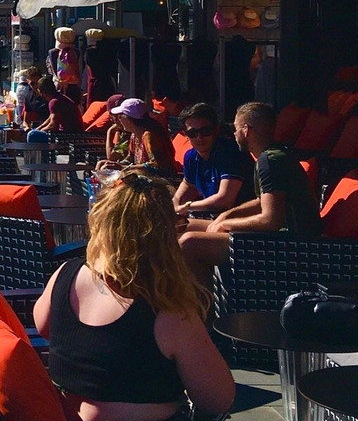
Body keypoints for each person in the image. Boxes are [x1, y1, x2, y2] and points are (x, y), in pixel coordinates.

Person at [34, 170, 235, 421]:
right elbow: (219, 399)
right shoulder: (168, 315)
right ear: (164, 240)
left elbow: (43, 327)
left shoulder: (65, 275)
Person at [179, 101, 323, 288]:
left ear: (246, 130)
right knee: (183, 226)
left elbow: (271, 221)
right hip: (281, 238)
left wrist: (225, 224)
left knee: (189, 243)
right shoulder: (271, 156)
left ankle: (202, 308)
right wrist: (227, 215)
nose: (234, 133)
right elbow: (261, 201)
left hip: (294, 247)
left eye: (236, 128)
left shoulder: (269, 161)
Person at [173, 103, 254, 218]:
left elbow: (225, 200)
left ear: (216, 130)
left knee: (185, 234)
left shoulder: (230, 152)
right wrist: (174, 206)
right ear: (185, 134)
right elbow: (187, 187)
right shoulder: (191, 157)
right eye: (192, 133)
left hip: (239, 219)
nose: (199, 137)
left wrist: (188, 207)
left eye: (205, 131)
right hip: (212, 217)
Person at [102, 98, 174, 175]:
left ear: (128, 119)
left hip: (160, 181)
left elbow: (156, 165)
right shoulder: (134, 135)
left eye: (120, 116)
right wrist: (114, 165)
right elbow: (130, 158)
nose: (119, 120)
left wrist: (123, 167)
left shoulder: (149, 136)